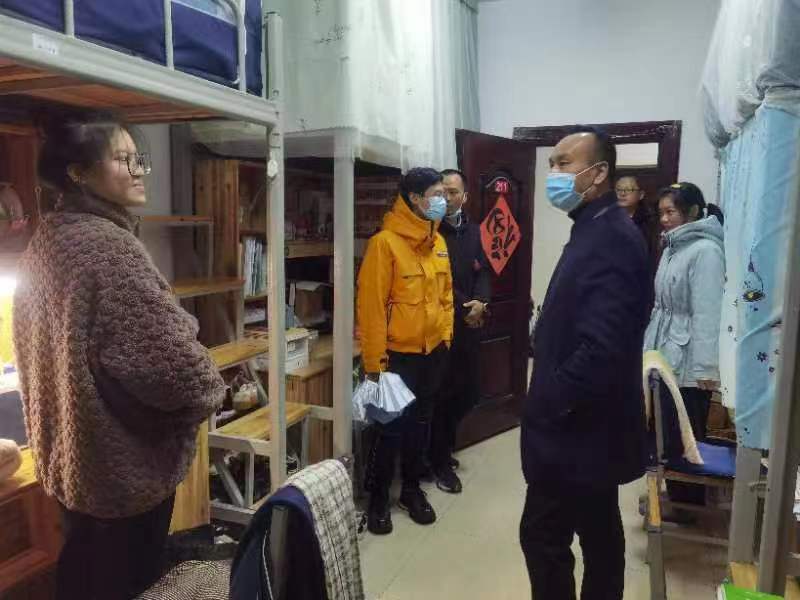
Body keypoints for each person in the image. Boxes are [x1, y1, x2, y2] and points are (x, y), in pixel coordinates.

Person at [13, 111, 224, 600]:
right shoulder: (109, 249)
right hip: (123, 472)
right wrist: (204, 380)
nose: (138, 170)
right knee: (130, 585)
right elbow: (183, 374)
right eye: (121, 159)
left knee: (82, 573)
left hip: (74, 466)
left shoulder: (49, 238)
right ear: (78, 173)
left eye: (138, 158)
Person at [519, 126, 651, 600]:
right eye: (551, 163)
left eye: (563, 163)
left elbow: (602, 348)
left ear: (598, 173)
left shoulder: (611, 237)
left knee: (543, 536)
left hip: (577, 430)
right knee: (598, 532)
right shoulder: (594, 227)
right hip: (587, 428)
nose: (553, 173)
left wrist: (549, 402)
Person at [357, 167, 454, 535]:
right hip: (396, 357)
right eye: (437, 193)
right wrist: (375, 363)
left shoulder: (438, 241)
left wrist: (446, 336)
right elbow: (371, 308)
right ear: (415, 198)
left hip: (433, 353)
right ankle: (378, 498)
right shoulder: (384, 243)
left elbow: (446, 298)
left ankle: (411, 491)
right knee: (389, 430)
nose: (443, 200)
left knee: (420, 427)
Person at [644, 182, 725, 509]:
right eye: (661, 212)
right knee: (665, 430)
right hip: (666, 350)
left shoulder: (706, 251)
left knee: (686, 433)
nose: (664, 219)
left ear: (692, 212)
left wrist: (705, 368)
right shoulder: (672, 246)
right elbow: (662, 306)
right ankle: (676, 495)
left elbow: (708, 313)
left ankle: (688, 503)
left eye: (671, 212)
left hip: (689, 359)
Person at [428, 168, 491, 494]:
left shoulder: (475, 231)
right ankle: (438, 461)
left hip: (468, 326)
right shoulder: (429, 232)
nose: (447, 198)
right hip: (439, 328)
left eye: (453, 192)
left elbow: (484, 271)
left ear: (465, 196)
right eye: (442, 192)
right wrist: (468, 306)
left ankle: (441, 450)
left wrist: (481, 301)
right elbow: (436, 281)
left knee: (469, 393)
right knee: (442, 396)